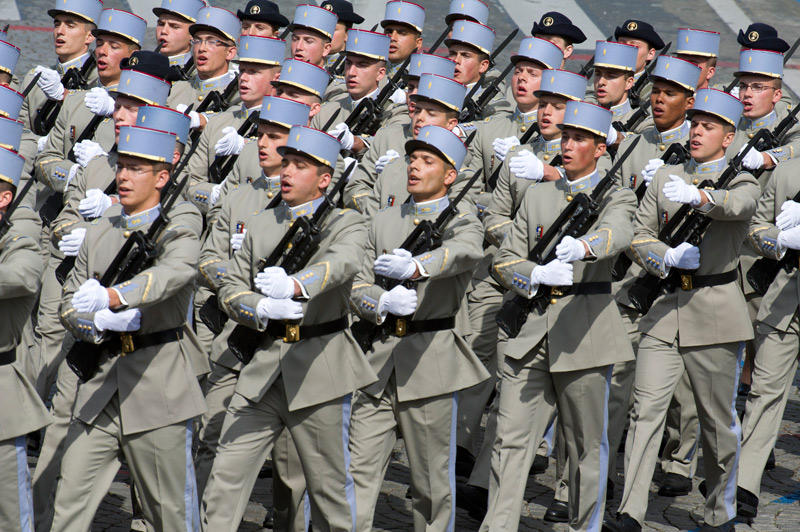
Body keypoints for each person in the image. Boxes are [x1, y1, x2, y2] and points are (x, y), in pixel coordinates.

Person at [200, 125, 377, 531]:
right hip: (262, 369)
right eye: (288, 163)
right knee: (225, 477)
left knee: (330, 492)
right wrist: (260, 307)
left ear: (325, 179)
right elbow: (230, 289)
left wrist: (297, 286)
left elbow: (344, 263)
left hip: (319, 372)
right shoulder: (263, 223)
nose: (288, 172)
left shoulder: (345, 223)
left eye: (301, 166)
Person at [606, 88, 759, 532]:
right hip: (665, 307)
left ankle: (720, 510)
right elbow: (639, 234)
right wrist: (663, 258)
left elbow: (741, 206)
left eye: (708, 126)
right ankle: (630, 511)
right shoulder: (666, 176)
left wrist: (703, 199)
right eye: (694, 124)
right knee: (646, 411)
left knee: (717, 424)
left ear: (728, 137)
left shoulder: (741, 180)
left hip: (714, 312)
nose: (696, 132)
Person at [482, 99, 637, 532]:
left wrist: (586, 247)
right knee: (509, 441)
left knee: (586, 446)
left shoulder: (616, 193)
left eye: (579, 139)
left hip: (583, 333)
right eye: (566, 136)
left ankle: (584, 526)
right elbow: (505, 259)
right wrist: (534, 273)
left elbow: (620, 231)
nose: (568, 145)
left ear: (600, 147)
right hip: (531, 331)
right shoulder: (538, 194)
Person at [50, 125, 207, 532]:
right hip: (100, 385)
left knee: (170, 513)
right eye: (121, 166)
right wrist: (94, 321)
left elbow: (178, 269)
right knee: (69, 500)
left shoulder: (181, 219)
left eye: (137, 169)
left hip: (157, 386)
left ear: (162, 177)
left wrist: (117, 297)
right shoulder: (102, 227)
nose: (122, 176)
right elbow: (69, 302)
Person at [348, 124, 488, 531]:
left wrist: (418, 265)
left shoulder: (463, 222)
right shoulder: (384, 219)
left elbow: (465, 252)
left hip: (429, 363)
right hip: (376, 361)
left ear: (450, 175)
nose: (414, 167)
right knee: (357, 470)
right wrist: (378, 302)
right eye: (412, 159)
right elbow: (356, 283)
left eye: (428, 161)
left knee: (430, 482)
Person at [0, 146, 52, 532]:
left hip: (1, 396)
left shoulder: (19, 241)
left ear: (4, 198)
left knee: (12, 516)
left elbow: (23, 277)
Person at [183, 34, 284, 214]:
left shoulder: (288, 127)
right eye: (243, 70)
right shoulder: (219, 123)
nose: (244, 78)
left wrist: (248, 147)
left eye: (253, 72)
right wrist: (212, 194)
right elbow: (191, 181)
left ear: (277, 77)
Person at [18, 0, 102, 137]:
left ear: (90, 36)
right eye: (57, 24)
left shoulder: (98, 81)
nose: (60, 31)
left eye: (70, 25)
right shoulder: (34, 78)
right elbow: (20, 129)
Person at [324, 29, 409, 158]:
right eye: (348, 63)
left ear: (380, 74)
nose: (351, 72)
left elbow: (391, 146)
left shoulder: (395, 115)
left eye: (362, 65)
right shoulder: (327, 111)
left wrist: (357, 143)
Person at [445, 19, 513, 120]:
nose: (456, 60)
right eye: (452, 54)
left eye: (465, 55)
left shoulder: (492, 106)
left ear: (483, 66)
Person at [153, 0, 203, 73]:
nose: (164, 31)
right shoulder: (143, 67)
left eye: (174, 26)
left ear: (193, 35)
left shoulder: (199, 76)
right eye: (161, 24)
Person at [380, 1, 425, 77]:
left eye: (402, 33)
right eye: (389, 31)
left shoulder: (422, 77)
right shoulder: (370, 70)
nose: (392, 38)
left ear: (418, 43)